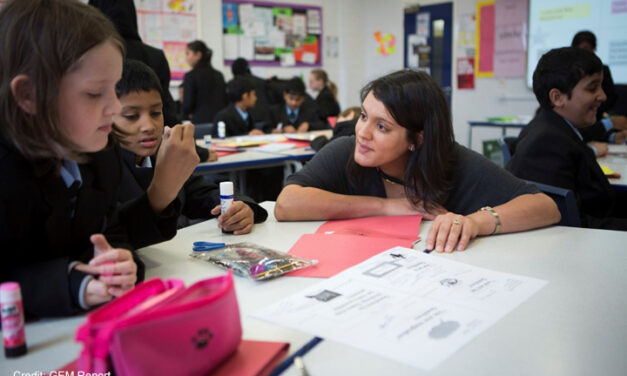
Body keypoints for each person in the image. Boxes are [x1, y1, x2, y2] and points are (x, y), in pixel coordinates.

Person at [0, 0, 170, 317]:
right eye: (95, 93)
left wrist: (120, 262)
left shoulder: (100, 155)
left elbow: (110, 231)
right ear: (28, 96)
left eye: (114, 88)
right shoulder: (8, 173)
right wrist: (72, 284)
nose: (115, 108)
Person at [275, 70, 560, 253]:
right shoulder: (348, 150)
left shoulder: (452, 160)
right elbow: (287, 204)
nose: (363, 132)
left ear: (417, 139)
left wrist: (475, 222)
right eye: (363, 116)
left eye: (382, 127)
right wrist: (387, 207)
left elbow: (545, 207)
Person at [113, 59, 267, 236]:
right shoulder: (101, 171)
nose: (149, 126)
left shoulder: (162, 156)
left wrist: (242, 208)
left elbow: (203, 193)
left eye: (156, 113)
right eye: (132, 116)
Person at [507, 47, 627, 230]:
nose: (602, 96)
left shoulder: (556, 127)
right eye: (592, 88)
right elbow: (569, 223)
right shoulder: (547, 142)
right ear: (557, 97)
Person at [89, 0, 180, 127]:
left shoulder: (87, 56)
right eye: (131, 116)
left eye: (154, 112)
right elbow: (168, 113)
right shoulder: (154, 56)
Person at [182, 40, 227, 124]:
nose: (186, 58)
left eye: (188, 53)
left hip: (200, 123)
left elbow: (187, 105)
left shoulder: (190, 76)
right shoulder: (219, 75)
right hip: (220, 122)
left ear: (198, 55)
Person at [231, 57, 272, 127]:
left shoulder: (234, 85)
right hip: (265, 120)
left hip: (248, 122)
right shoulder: (261, 82)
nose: (255, 98)